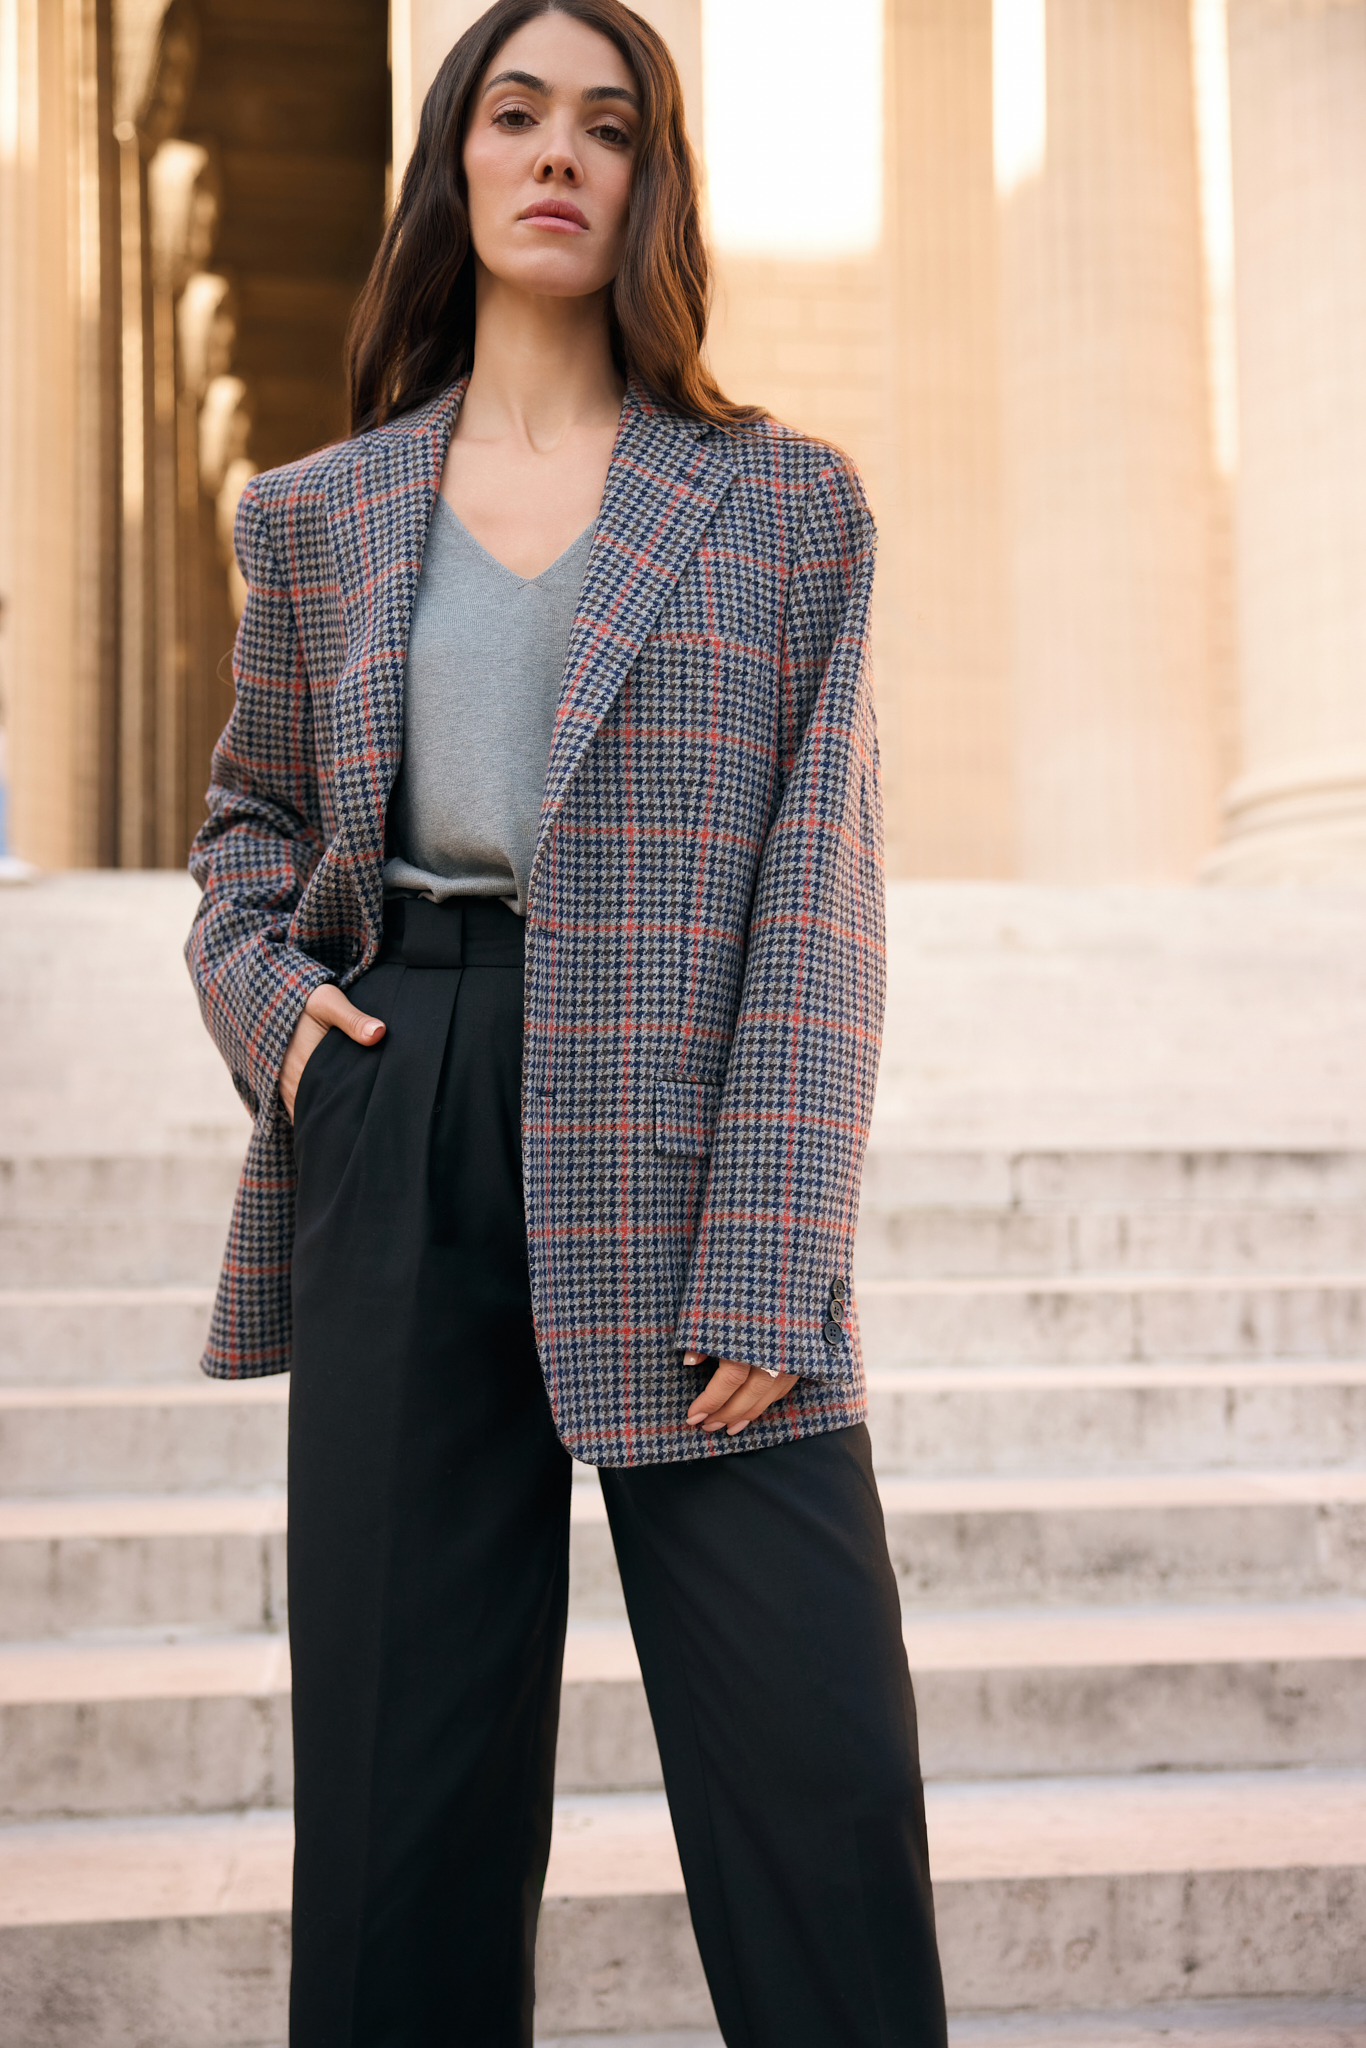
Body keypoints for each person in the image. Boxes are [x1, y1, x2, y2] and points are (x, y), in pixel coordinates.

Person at [186, 2, 947, 2042]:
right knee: (394, 1803)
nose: (556, 154)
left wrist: (774, 1247)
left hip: (693, 1126)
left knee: (817, 1774)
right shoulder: (318, 515)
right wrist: (278, 1020)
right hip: (397, 1090)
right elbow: (247, 830)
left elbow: (822, 883)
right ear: (451, 160)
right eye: (512, 113)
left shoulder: (783, 506)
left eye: (604, 126)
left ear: (647, 180)